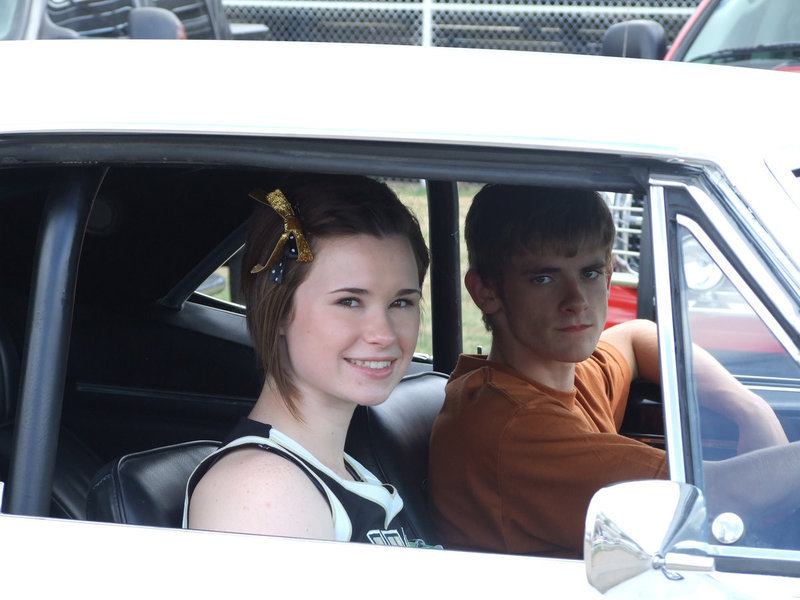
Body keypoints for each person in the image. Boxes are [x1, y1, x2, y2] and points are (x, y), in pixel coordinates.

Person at [429, 184, 798, 558]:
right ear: (486, 292)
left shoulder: (563, 375)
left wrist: (749, 408)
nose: (576, 301)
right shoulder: (513, 427)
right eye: (544, 278)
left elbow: (638, 336)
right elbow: (712, 494)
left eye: (589, 273)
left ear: (608, 278)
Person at [184, 174, 430, 546]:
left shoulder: (346, 472)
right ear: (280, 310)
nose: (384, 334)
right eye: (349, 301)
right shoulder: (262, 493)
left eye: (401, 302)